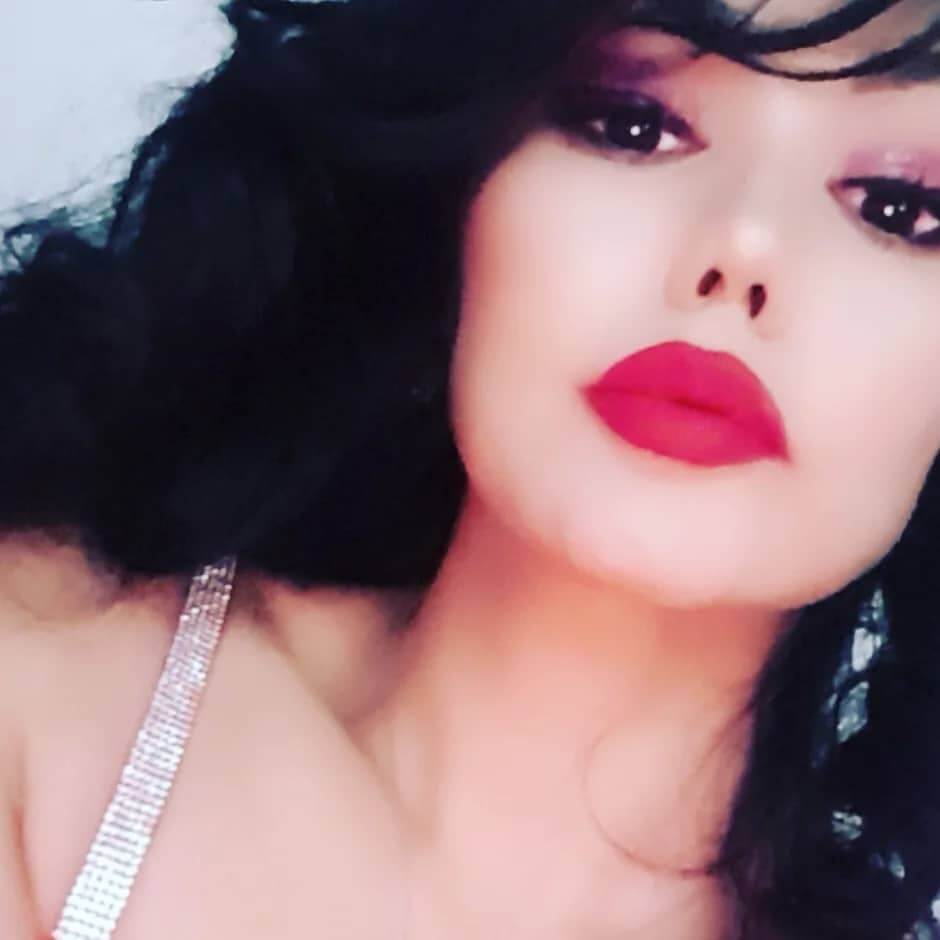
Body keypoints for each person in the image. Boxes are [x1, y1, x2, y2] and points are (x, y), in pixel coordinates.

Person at [1, 0, 939, 937]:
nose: (742, 247)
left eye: (897, 209)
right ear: (463, 188)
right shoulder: (41, 686)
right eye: (632, 125)